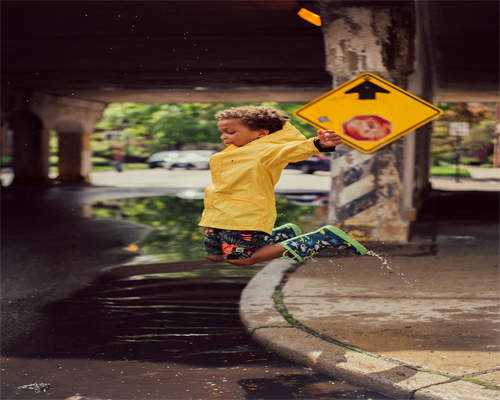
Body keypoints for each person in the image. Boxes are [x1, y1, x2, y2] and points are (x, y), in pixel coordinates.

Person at [199, 106, 367, 266]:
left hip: (242, 217)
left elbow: (292, 150)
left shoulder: (266, 151)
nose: (223, 137)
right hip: (217, 215)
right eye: (222, 132)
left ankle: (323, 238)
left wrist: (319, 143)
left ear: (261, 133)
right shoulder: (231, 152)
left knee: (240, 259)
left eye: (230, 132)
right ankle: (284, 234)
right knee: (215, 256)